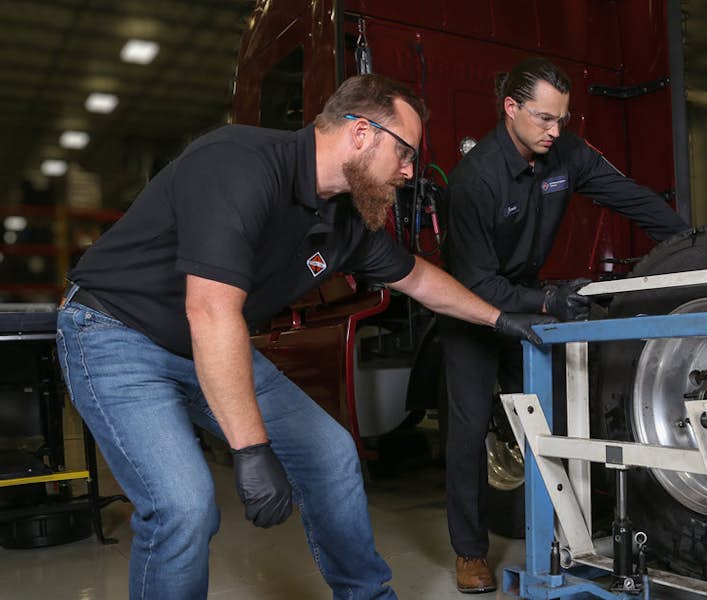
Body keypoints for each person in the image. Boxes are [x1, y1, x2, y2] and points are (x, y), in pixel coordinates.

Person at [56, 74, 551, 600]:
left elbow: (420, 279)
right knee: (183, 507)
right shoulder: (238, 163)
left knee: (331, 454)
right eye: (405, 152)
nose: (410, 171)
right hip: (116, 333)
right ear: (361, 134)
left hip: (205, 340)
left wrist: (499, 319)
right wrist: (251, 449)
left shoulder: (346, 220)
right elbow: (210, 310)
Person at [440, 57, 690, 593]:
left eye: (562, 119)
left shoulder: (566, 153)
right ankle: (469, 551)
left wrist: (689, 244)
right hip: (470, 309)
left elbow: (629, 196)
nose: (555, 130)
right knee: (468, 430)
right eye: (543, 118)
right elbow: (476, 285)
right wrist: (549, 299)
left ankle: (567, 531)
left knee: (554, 416)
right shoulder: (473, 181)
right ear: (510, 108)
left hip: (528, 297)